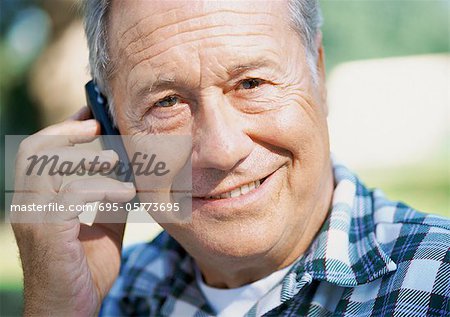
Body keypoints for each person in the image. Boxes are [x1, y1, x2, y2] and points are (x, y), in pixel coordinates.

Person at [11, 0, 449, 316]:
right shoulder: (119, 291)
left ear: (319, 76)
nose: (222, 149)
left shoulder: (436, 281)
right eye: (166, 102)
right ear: (110, 129)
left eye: (252, 83)